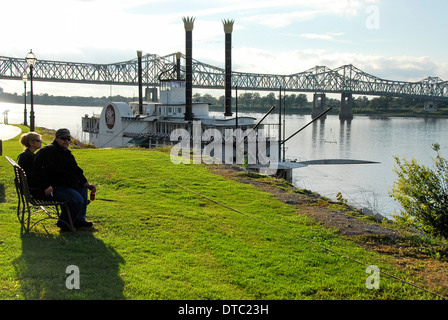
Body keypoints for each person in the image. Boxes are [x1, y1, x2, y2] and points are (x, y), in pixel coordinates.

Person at [32, 128, 96, 231]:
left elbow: (76, 170)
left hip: (64, 186)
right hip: (52, 189)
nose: (66, 141)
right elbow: (37, 171)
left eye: (68, 139)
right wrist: (45, 185)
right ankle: (65, 223)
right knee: (77, 199)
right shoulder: (47, 151)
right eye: (63, 138)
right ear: (56, 138)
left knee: (83, 190)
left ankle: (79, 220)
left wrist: (86, 183)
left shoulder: (66, 153)